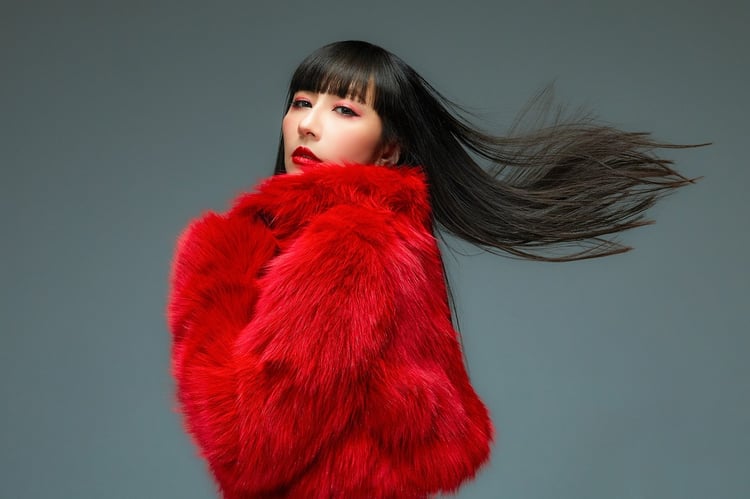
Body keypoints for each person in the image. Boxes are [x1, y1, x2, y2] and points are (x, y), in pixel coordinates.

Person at [166, 40, 697, 498]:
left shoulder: (351, 247)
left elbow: (249, 448)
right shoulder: (386, 239)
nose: (307, 124)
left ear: (389, 150)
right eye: (302, 102)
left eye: (344, 110)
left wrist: (212, 273)